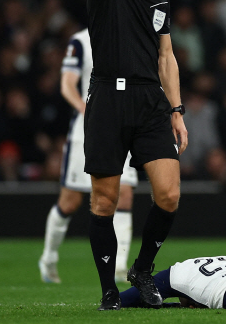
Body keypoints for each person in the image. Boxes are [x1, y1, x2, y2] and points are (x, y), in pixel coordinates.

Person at [85, 0, 188, 311]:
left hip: (149, 101)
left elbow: (167, 56)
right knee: (104, 200)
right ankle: (109, 290)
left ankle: (142, 269)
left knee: (169, 194)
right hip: (108, 96)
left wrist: (177, 110)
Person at [39, 29, 138, 284]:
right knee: (70, 202)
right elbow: (67, 84)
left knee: (124, 194)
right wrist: (86, 109)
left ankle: (119, 266)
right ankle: (48, 258)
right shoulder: (81, 41)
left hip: (121, 129)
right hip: (86, 131)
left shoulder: (131, 36)